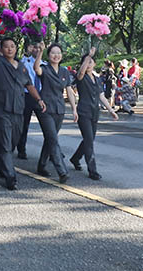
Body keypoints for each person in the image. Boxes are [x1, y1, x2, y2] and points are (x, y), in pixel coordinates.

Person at [0, 12, 46, 191]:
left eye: (13, 46)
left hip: (18, 112)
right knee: (5, 144)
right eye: (6, 47)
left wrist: (39, 99)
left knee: (10, 144)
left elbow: (29, 85)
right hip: (1, 111)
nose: (10, 49)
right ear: (2, 49)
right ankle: (10, 177)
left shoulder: (21, 67)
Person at [33, 42, 78, 183]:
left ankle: (41, 165)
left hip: (59, 109)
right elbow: (36, 69)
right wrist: (40, 52)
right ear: (49, 55)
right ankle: (62, 171)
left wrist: (74, 109)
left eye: (58, 53)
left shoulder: (65, 71)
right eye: (53, 53)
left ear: (62, 55)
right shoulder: (44, 69)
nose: (56, 55)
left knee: (50, 138)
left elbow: (69, 91)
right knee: (53, 138)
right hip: (45, 108)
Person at [70, 52, 118, 180]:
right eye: (86, 62)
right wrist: (88, 56)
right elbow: (80, 73)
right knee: (89, 141)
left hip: (94, 113)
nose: (88, 64)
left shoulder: (97, 79)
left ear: (95, 64)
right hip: (83, 112)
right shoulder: (81, 77)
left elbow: (101, 96)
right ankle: (93, 170)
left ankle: (75, 158)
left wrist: (110, 110)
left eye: (91, 62)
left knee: (89, 139)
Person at [16, 42, 41, 160]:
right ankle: (21, 149)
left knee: (48, 125)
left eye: (39, 47)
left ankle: (52, 151)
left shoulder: (44, 64)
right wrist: (27, 52)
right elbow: (19, 66)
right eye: (34, 47)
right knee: (24, 123)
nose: (37, 49)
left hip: (40, 95)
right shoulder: (25, 61)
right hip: (27, 94)